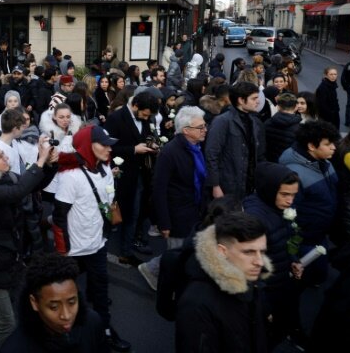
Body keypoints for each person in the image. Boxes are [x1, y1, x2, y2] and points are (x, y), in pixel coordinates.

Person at [0, 140, 57, 352]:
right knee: (7, 322)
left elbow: (29, 185)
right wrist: (40, 160)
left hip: (6, 257)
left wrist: (49, 164)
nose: (7, 158)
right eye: (1, 157)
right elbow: (16, 193)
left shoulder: (2, 177)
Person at [49, 125, 131, 352]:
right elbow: (59, 216)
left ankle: (105, 332)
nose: (108, 149)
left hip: (98, 245)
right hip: (73, 251)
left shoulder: (106, 169)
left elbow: (106, 203)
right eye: (103, 144)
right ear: (87, 146)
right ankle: (69, 337)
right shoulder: (70, 177)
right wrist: (63, 252)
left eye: (109, 144)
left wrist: (104, 232)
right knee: (69, 299)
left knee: (101, 293)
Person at [175, 212, 270, 353]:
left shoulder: (250, 280)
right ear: (222, 251)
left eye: (262, 252)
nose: (260, 262)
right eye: (248, 252)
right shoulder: (196, 304)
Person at [138, 106, 208, 291]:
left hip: (193, 210)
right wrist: (164, 223)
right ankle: (157, 275)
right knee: (177, 254)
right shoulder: (170, 152)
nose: (205, 130)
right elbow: (159, 190)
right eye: (200, 127)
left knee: (184, 251)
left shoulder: (196, 147)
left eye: (204, 126)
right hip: (177, 215)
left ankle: (155, 270)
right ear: (186, 130)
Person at [242, 163, 305, 349]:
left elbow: (283, 241)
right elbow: (249, 272)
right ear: (269, 190)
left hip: (280, 282)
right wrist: (265, 308)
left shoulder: (275, 206)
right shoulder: (255, 219)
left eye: (293, 195)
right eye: (285, 194)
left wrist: (293, 261)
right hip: (266, 292)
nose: (290, 201)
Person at [0, 252, 108, 352]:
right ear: (34, 303)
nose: (66, 315)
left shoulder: (92, 322)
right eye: (54, 307)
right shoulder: (15, 348)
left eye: (72, 302)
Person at [279, 120, 340, 286]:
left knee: (320, 276)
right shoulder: (294, 173)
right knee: (305, 283)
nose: (334, 147)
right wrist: (293, 255)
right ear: (312, 146)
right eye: (328, 144)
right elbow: (287, 215)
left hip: (320, 234)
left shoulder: (324, 162)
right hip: (305, 241)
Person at [104, 91, 159, 266]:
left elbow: (145, 136)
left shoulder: (145, 118)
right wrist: (134, 150)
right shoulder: (116, 118)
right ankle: (111, 251)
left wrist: (151, 144)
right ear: (135, 105)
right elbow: (108, 148)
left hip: (140, 174)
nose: (145, 118)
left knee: (134, 214)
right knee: (118, 214)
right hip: (122, 175)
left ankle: (126, 249)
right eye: (143, 114)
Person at [205, 82, 266, 202]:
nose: (257, 102)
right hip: (228, 185)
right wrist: (215, 185)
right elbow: (211, 154)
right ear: (241, 100)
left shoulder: (254, 121)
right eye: (254, 98)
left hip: (248, 184)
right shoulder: (222, 121)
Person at [263, 92, 302, 162]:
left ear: (278, 107)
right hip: (289, 164)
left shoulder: (267, 123)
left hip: (270, 163)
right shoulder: (300, 129)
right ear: (296, 107)